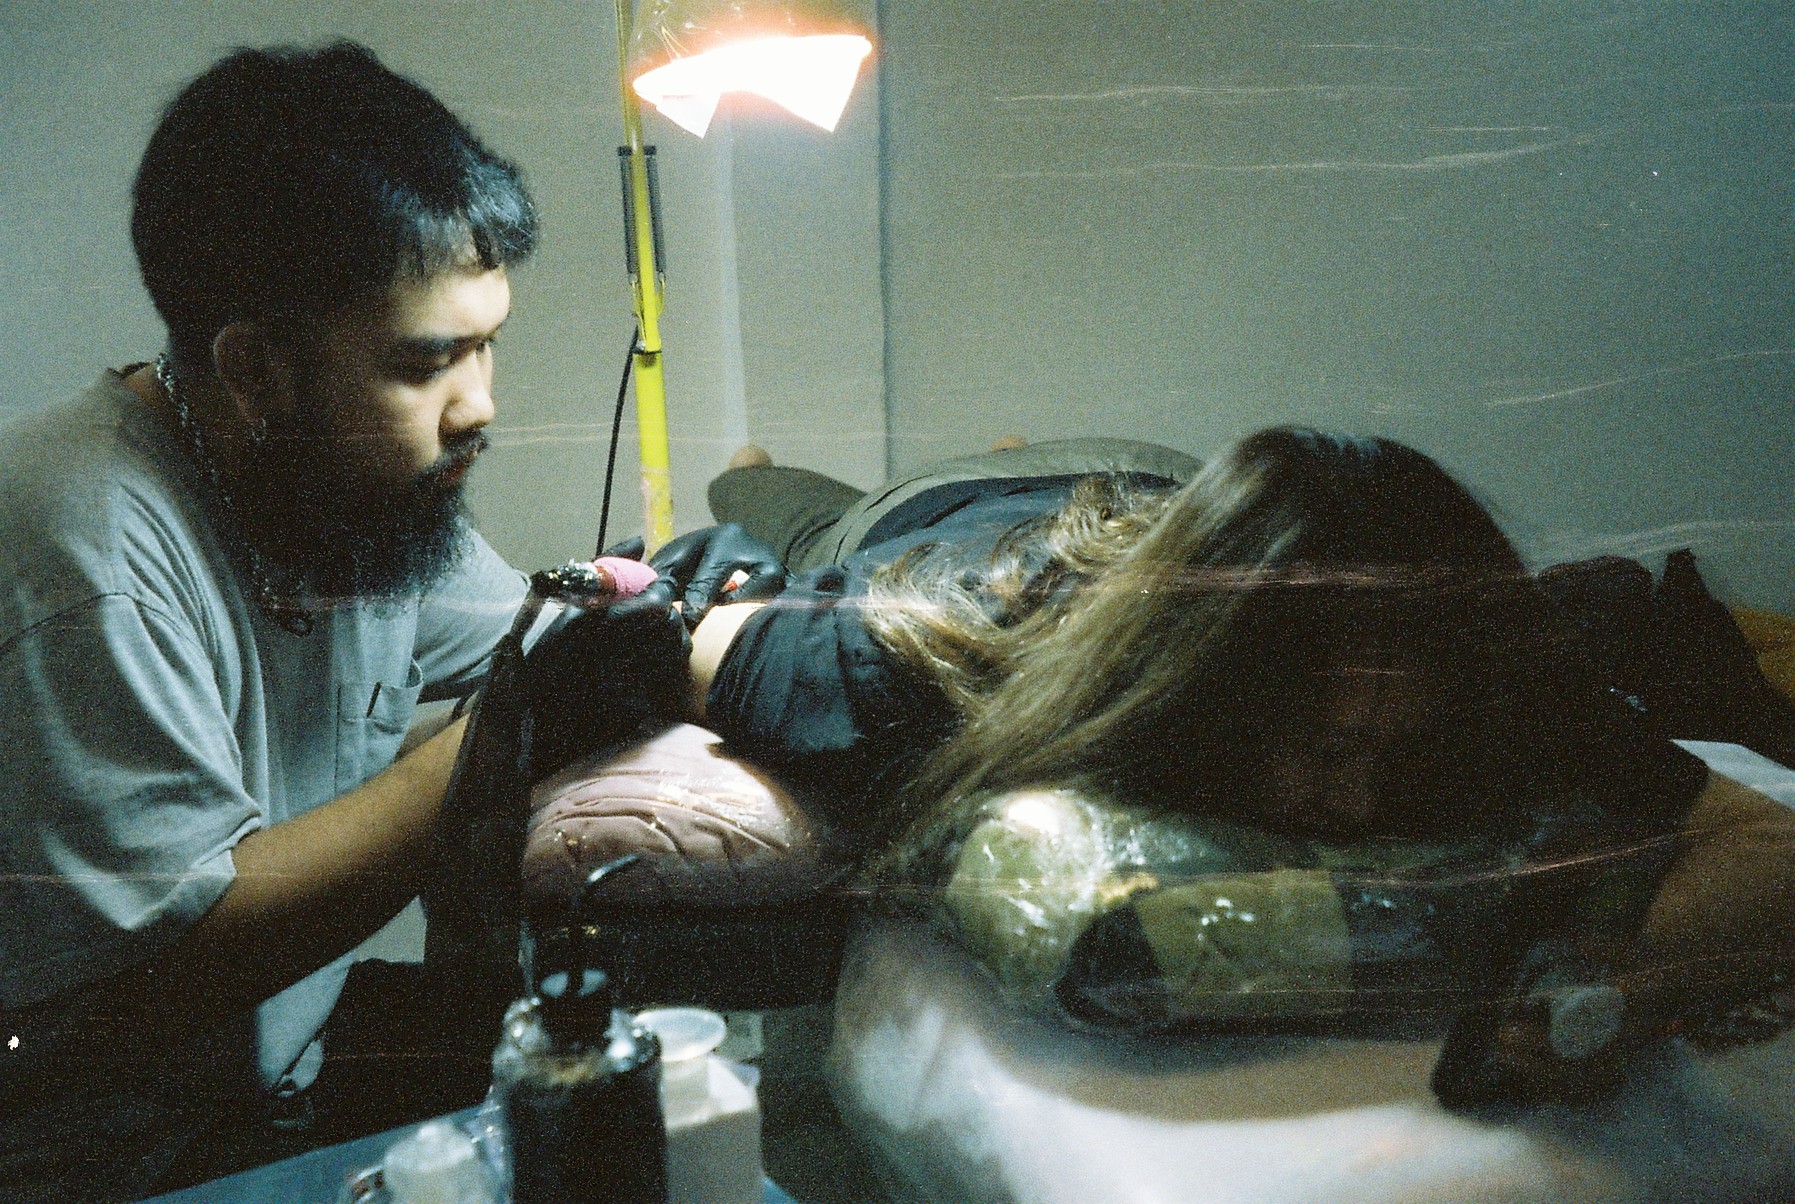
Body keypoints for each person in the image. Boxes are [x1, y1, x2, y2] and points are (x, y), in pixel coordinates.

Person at [668, 428, 1795, 1100]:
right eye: (1325, 750)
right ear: (1196, 701)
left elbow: (1766, 838)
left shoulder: (1452, 662)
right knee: (789, 505)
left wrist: (1636, 975)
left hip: (1163, 479)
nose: (1357, 804)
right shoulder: (927, 651)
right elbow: (705, 628)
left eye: (1395, 757)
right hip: (941, 518)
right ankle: (758, 463)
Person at [0, 41, 538, 1197]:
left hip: (273, 1083)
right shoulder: (81, 551)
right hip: (107, 1160)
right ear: (254, 370)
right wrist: (506, 737)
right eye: (425, 363)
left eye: (487, 344)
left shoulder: (339, 488)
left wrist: (664, 608)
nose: (477, 406)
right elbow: (187, 955)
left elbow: (530, 636)